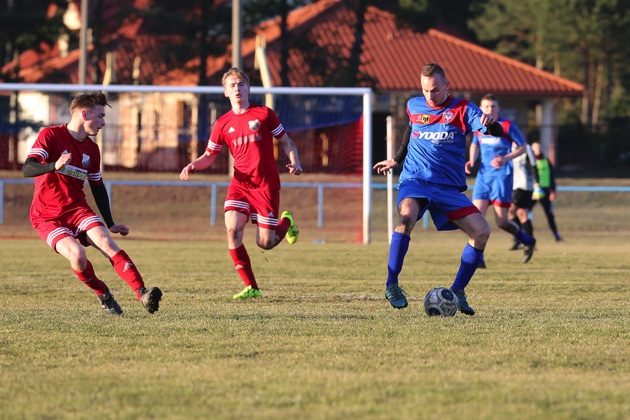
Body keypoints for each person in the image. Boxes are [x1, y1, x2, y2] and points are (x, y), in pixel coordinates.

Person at [373, 63, 506, 316]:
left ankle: (458, 291)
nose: (429, 96)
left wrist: (491, 125)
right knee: (406, 216)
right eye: (425, 91)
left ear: (447, 85)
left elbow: (491, 129)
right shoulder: (414, 105)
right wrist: (396, 160)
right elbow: (411, 130)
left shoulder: (463, 109)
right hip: (416, 180)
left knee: (481, 232)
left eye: (434, 90)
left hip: (447, 187)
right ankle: (392, 284)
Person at [22, 91, 162, 316]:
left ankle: (143, 293)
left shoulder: (91, 150)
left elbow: (97, 186)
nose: (103, 123)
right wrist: (53, 165)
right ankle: (103, 294)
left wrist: (111, 222)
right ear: (84, 113)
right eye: (100, 116)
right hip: (46, 216)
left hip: (77, 209)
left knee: (107, 242)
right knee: (77, 256)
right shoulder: (51, 135)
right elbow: (27, 168)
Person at [180, 67, 303, 300]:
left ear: (248, 88)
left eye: (241, 84)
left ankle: (286, 221)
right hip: (240, 185)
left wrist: (295, 161)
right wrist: (193, 165)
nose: (237, 89)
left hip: (265, 185)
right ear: (225, 92)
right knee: (232, 230)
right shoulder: (222, 124)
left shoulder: (264, 114)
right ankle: (252, 287)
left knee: (265, 243)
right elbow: (209, 156)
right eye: (232, 86)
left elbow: (286, 142)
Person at [465, 94, 536, 264]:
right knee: (476, 218)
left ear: (498, 109)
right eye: (486, 107)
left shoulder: (506, 125)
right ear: (481, 109)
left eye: (493, 107)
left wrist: (505, 158)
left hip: (501, 178)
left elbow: (523, 147)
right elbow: (475, 143)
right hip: (483, 177)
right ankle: (478, 257)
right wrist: (472, 160)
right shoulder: (479, 126)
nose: (490, 110)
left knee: (502, 221)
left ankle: (527, 240)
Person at [508, 142, 538, 250]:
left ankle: (523, 240)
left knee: (511, 210)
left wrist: (537, 185)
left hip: (524, 185)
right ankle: (528, 241)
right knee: (521, 214)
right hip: (513, 185)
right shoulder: (507, 146)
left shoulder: (527, 148)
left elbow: (534, 166)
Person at [531, 141, 563, 241]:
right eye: (535, 148)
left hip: (545, 191)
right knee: (524, 212)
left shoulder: (546, 160)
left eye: (539, 148)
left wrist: (553, 191)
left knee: (549, 214)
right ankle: (523, 237)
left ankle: (556, 235)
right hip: (533, 191)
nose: (538, 150)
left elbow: (552, 177)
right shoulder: (530, 161)